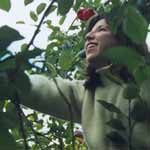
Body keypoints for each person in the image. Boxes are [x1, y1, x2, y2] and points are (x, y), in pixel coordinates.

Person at [6, 14, 150, 150]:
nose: (88, 36)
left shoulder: (145, 81)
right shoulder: (88, 94)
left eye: (102, 29)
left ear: (124, 39)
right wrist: (5, 77)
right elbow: (40, 89)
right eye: (89, 33)